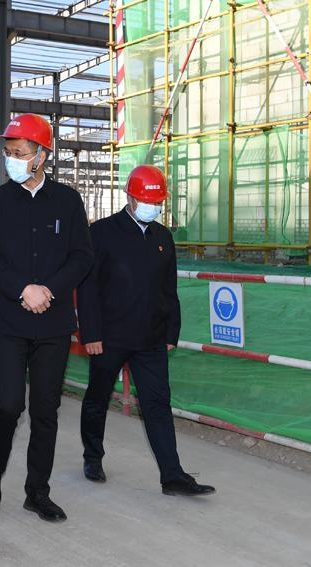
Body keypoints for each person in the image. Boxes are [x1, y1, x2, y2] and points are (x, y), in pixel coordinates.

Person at [0, 113, 93, 522]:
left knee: (46, 410)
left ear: (42, 155)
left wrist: (49, 290)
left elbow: (82, 256)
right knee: (7, 405)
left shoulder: (68, 201)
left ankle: (37, 491)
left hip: (53, 324)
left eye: (20, 152)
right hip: (9, 321)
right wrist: (24, 289)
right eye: (8, 152)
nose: (12, 159)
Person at [76, 164, 215, 497]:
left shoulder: (162, 237)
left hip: (151, 338)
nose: (153, 207)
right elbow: (88, 288)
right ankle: (93, 457)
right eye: (147, 201)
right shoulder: (102, 233)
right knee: (97, 398)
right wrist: (91, 334)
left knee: (157, 404)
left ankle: (172, 476)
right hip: (109, 337)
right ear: (130, 197)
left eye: (158, 202)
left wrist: (171, 333)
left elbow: (169, 289)